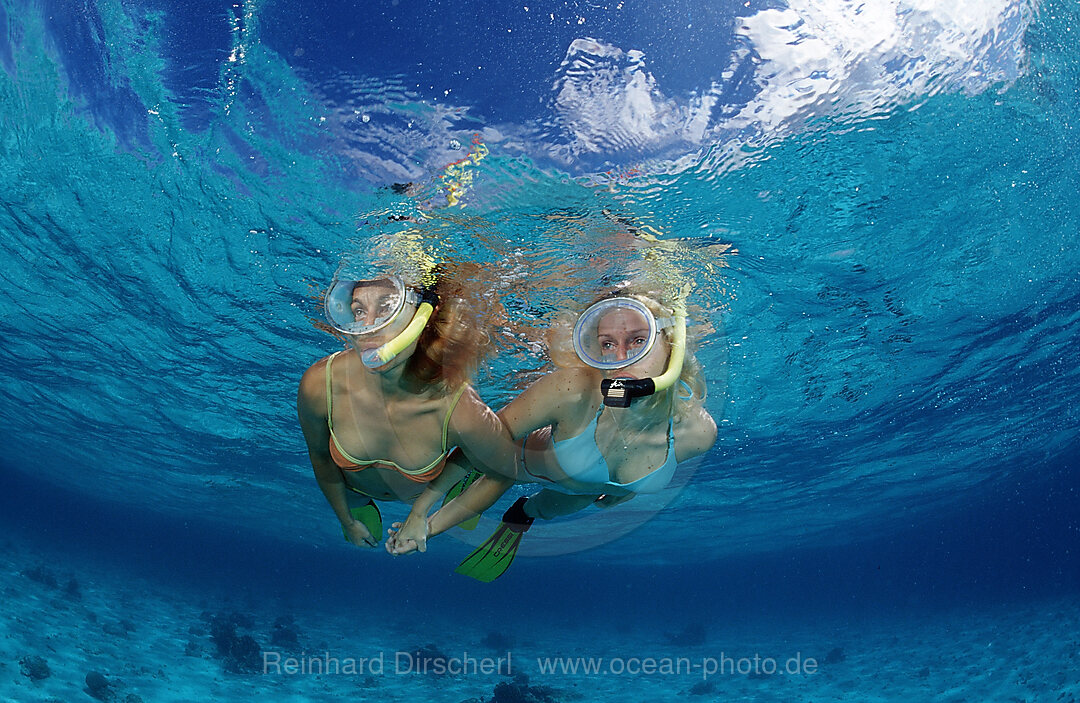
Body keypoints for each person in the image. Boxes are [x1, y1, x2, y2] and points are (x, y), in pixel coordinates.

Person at [386, 287, 718, 580]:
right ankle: (459, 497)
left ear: (672, 343)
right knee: (499, 469)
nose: (621, 358)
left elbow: (639, 464)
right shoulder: (572, 389)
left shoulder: (699, 433)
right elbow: (482, 442)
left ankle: (518, 514)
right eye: (606, 344)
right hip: (522, 462)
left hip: (581, 492)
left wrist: (625, 491)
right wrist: (420, 518)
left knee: (533, 511)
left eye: (638, 340)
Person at [297, 266, 513, 548]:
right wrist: (346, 520)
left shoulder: (458, 407)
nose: (368, 328)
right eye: (358, 311)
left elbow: (504, 473)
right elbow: (321, 458)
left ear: (423, 316)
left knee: (478, 455)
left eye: (387, 307)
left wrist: (426, 521)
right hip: (352, 491)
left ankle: (462, 468)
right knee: (355, 499)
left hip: (418, 496)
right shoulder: (319, 384)